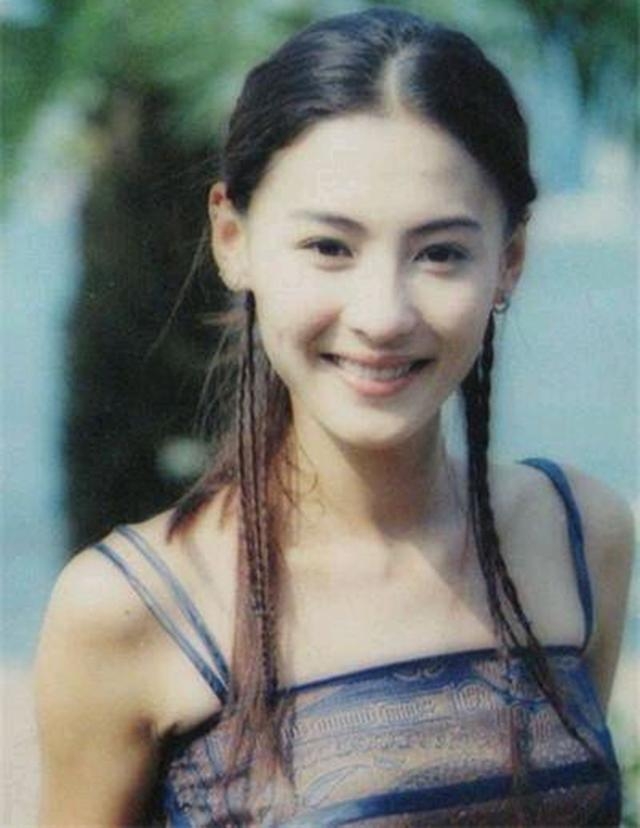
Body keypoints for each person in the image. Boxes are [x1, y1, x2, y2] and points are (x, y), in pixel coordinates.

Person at [35, 8, 633, 826]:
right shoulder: (130, 609)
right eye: (329, 247)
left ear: (510, 261)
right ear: (232, 238)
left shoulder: (578, 536)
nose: (382, 315)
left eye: (440, 253)